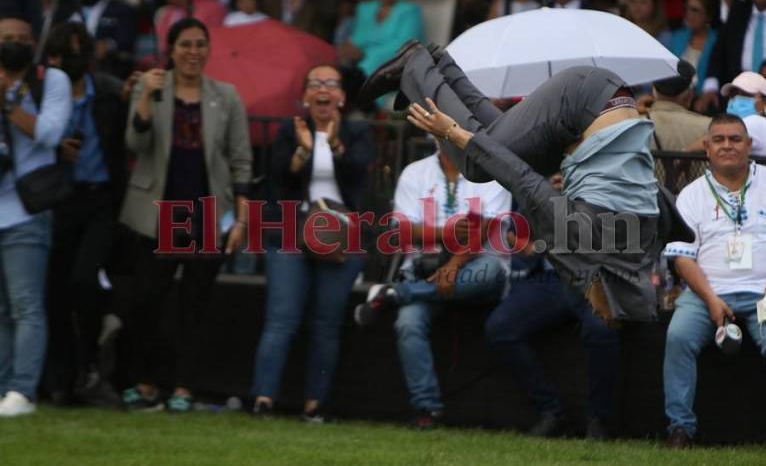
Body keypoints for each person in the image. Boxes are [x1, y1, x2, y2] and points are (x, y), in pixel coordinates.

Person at [358, 41, 694, 322]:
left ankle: (436, 64)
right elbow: (521, 180)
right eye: (605, 313)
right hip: (579, 104)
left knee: (497, 139)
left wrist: (588, 171)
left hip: (608, 98)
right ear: (610, 292)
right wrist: (453, 134)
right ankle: (415, 66)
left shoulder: (639, 243)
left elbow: (666, 203)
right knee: (477, 165)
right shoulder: (586, 237)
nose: (596, 313)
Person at [662, 114, 766, 451]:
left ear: (749, 146)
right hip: (706, 293)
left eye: (735, 139)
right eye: (718, 139)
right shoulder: (691, 194)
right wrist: (710, 299)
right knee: (677, 337)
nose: (727, 146)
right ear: (706, 147)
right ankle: (680, 429)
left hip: (765, 294)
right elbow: (681, 257)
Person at [119, 17, 252, 413]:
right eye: (185, 45)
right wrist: (145, 96)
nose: (193, 52)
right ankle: (146, 382)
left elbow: (242, 161)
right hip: (156, 212)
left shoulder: (225, 96)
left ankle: (183, 386)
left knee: (195, 304)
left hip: (207, 213)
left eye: (200, 44)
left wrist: (242, 220)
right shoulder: (152, 86)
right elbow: (133, 143)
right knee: (149, 300)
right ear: (171, 49)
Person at [250, 64, 375, 421]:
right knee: (281, 319)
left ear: (342, 96)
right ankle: (263, 399)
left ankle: (315, 404)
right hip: (291, 232)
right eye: (315, 84)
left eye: (331, 84)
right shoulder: (290, 131)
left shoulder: (357, 131)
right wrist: (304, 151)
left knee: (326, 323)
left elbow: (358, 173)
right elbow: (277, 179)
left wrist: (334, 144)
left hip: (342, 235)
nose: (323, 90)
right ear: (305, 95)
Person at [355, 144, 511, 428]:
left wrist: (453, 265)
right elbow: (402, 230)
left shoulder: (491, 171)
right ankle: (427, 409)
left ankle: (394, 294)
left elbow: (485, 230)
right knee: (408, 323)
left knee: (489, 271)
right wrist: (447, 232)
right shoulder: (416, 172)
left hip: (475, 268)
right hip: (424, 269)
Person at [485, 178, 619, 440]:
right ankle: (552, 413)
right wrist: (542, 196)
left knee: (601, 329)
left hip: (597, 278)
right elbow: (515, 234)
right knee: (501, 327)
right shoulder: (540, 174)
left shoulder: (608, 174)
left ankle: (598, 419)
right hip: (550, 279)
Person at [41, 22, 128, 407]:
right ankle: (63, 373)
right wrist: (56, 150)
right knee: (55, 291)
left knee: (83, 279)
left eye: (77, 53)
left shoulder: (108, 93)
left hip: (100, 199)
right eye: (61, 55)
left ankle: (90, 360)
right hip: (60, 199)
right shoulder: (45, 98)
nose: (69, 62)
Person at [0, 15, 71, 417]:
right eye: (5, 38)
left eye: (21, 39)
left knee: (26, 303)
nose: (13, 44)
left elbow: (50, 133)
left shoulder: (51, 80)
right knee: (1, 309)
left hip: (26, 209)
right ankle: (2, 385)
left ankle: (22, 390)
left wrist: (9, 103)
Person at [339, 0, 424, 93]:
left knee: (358, 74)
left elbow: (404, 47)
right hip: (358, 67)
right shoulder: (365, 8)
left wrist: (365, 54)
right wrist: (349, 46)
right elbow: (358, 38)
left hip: (391, 69)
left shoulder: (410, 11)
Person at [668, 0, 721, 103]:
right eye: (687, 9)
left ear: (709, 15)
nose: (689, 15)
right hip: (674, 99)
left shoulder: (719, 41)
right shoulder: (678, 37)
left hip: (703, 103)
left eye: (695, 10)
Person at [721, 71, 766, 158]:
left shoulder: (756, 123)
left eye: (746, 95)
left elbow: (710, 142)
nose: (737, 99)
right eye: (733, 95)